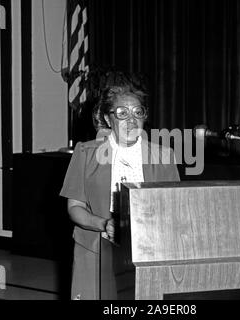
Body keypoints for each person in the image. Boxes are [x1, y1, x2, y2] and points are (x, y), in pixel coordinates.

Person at [59, 71, 180, 300]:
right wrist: (104, 224)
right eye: (122, 113)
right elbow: (74, 207)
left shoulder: (164, 156)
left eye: (137, 112)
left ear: (145, 116)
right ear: (107, 118)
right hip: (95, 250)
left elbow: (174, 211)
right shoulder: (86, 152)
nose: (131, 120)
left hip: (148, 255)